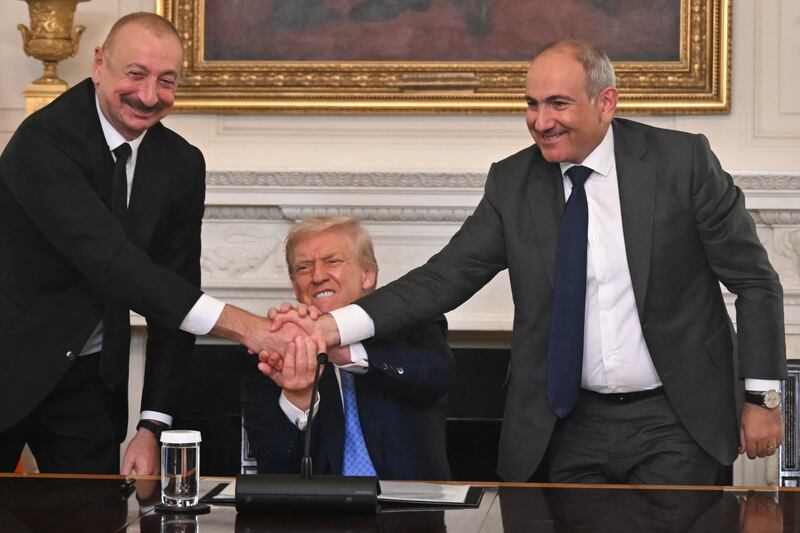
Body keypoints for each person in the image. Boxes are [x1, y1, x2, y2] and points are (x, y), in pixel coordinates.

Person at [269, 40, 787, 484]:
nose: (541, 122)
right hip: (565, 424)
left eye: (558, 104)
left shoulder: (682, 163)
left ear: (606, 102)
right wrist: (331, 328)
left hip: (675, 417)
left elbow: (755, 282)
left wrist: (761, 398)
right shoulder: (512, 182)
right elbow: (444, 277)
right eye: (532, 104)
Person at [0, 12, 299, 475]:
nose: (148, 95)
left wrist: (152, 425)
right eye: (135, 74)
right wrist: (249, 328)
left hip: (89, 384)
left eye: (166, 81)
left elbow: (174, 291)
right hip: (8, 362)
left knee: (91, 509)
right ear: (99, 65)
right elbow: (115, 265)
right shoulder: (44, 141)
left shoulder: (181, 164)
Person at [243, 217, 453, 479]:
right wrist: (297, 398)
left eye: (332, 262)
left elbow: (437, 379)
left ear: (368, 275)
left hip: (409, 501)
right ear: (295, 285)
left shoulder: (412, 325)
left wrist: (344, 353)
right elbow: (272, 467)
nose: (317, 276)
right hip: (319, 504)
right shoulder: (273, 351)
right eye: (304, 267)